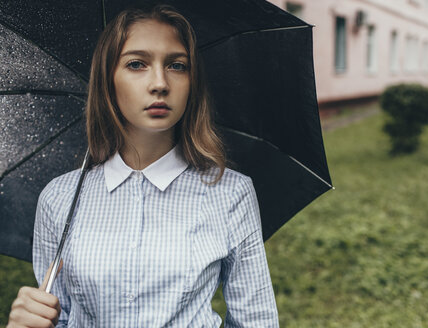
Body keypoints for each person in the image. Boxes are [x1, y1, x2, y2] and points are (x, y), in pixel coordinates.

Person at [8, 4, 278, 327]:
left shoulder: (231, 193)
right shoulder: (60, 199)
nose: (160, 83)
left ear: (193, 81)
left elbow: (256, 321)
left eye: (177, 65)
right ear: (108, 79)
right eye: (137, 64)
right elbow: (61, 317)